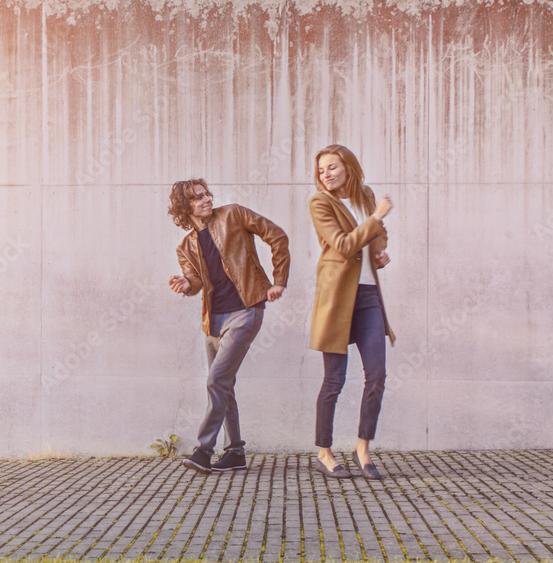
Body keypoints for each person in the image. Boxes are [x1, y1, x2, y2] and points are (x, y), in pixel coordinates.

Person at [168, 179, 290, 474]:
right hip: (214, 320)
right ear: (186, 208)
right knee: (224, 384)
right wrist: (187, 284)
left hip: (245, 310)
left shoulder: (234, 214)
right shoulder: (186, 246)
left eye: (206, 194)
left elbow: (277, 236)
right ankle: (235, 452)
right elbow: (196, 281)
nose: (207, 199)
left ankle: (203, 450)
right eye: (197, 198)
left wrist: (278, 281)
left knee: (216, 381)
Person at [308, 144, 395, 480]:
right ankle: (324, 451)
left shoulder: (366, 195)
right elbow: (343, 245)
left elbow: (378, 236)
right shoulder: (320, 202)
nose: (325, 175)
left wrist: (381, 252)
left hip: (369, 295)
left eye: (331, 167)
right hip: (337, 298)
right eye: (321, 170)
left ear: (348, 167)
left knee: (377, 375)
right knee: (335, 379)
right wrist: (375, 219)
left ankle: (363, 447)